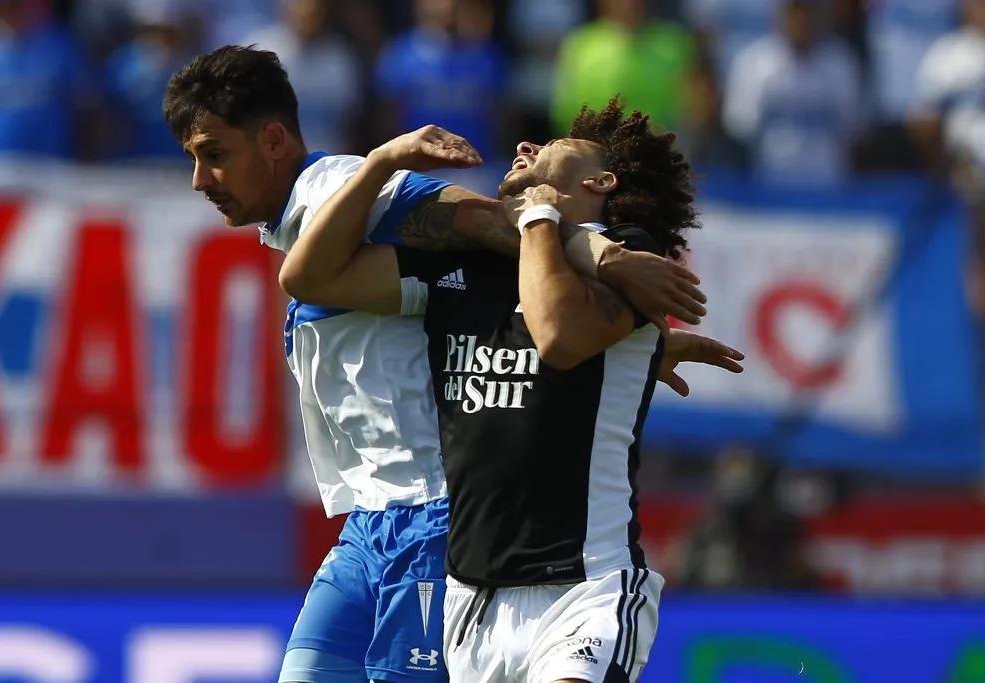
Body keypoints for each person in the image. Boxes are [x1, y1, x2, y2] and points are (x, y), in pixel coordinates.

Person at [162, 46, 713, 683]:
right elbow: (499, 299)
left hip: (432, 516)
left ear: (274, 138)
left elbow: (486, 220)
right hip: (372, 526)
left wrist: (605, 256)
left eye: (214, 154)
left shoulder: (336, 186)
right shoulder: (314, 221)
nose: (201, 180)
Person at [279, 98, 744, 683]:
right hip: (472, 598)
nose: (525, 148)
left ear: (601, 180)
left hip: (584, 587)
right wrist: (382, 162)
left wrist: (541, 218)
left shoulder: (632, 257)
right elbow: (307, 277)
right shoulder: (467, 262)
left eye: (547, 147)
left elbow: (556, 336)